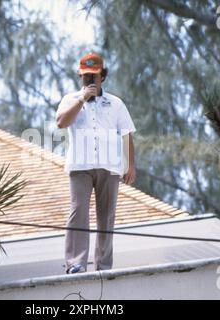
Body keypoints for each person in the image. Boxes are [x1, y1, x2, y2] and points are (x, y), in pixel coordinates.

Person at [56, 52, 137, 274]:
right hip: (80, 167)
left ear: (103, 76)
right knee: (78, 211)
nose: (90, 80)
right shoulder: (70, 99)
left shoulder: (116, 103)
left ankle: (103, 267)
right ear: (80, 77)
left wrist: (130, 165)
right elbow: (61, 122)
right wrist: (82, 99)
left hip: (109, 167)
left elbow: (127, 134)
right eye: (86, 76)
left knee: (107, 216)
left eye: (94, 76)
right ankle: (75, 263)